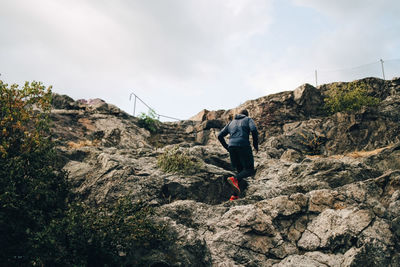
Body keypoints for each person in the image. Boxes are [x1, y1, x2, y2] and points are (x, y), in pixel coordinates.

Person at [218, 109, 258, 201]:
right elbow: (254, 130)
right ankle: (234, 179)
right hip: (243, 145)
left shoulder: (231, 122)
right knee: (249, 170)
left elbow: (220, 135)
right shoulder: (248, 119)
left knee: (240, 172)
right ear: (246, 115)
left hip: (232, 147)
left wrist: (227, 147)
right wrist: (255, 145)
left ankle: (234, 196)